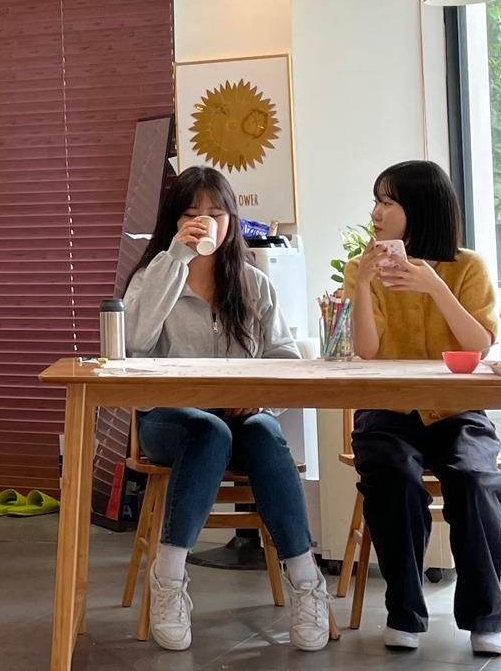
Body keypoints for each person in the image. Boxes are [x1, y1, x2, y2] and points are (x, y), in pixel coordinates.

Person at [124, 165, 329, 652]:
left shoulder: (253, 284)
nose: (203, 223)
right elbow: (132, 344)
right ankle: (169, 579)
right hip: (169, 421)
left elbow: (283, 358)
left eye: (215, 213)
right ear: (174, 222)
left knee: (264, 432)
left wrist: (256, 395)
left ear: (232, 221)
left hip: (240, 420)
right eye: (190, 214)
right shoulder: (153, 278)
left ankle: (307, 583)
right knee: (207, 431)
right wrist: (175, 259)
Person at [344, 160, 501, 657]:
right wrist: (363, 285)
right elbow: (366, 352)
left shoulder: (468, 267)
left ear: (420, 208)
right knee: (393, 476)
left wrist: (435, 286)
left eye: (387, 202)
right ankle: (404, 613)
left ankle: (485, 618)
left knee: (473, 481)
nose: (376, 213)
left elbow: (479, 345)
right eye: (376, 202)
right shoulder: (363, 268)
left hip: (458, 412)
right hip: (387, 412)